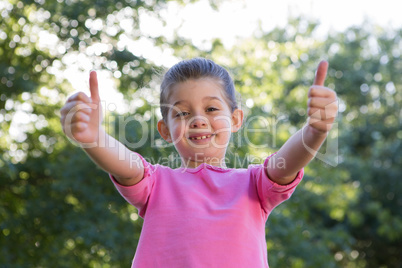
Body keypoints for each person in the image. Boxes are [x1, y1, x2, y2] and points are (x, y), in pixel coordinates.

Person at [60, 58, 338, 267]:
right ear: (165, 130)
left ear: (236, 119)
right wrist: (94, 138)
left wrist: (314, 131)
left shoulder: (254, 184)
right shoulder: (156, 183)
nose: (197, 119)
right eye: (181, 113)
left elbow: (286, 163)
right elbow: (124, 163)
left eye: (212, 108)